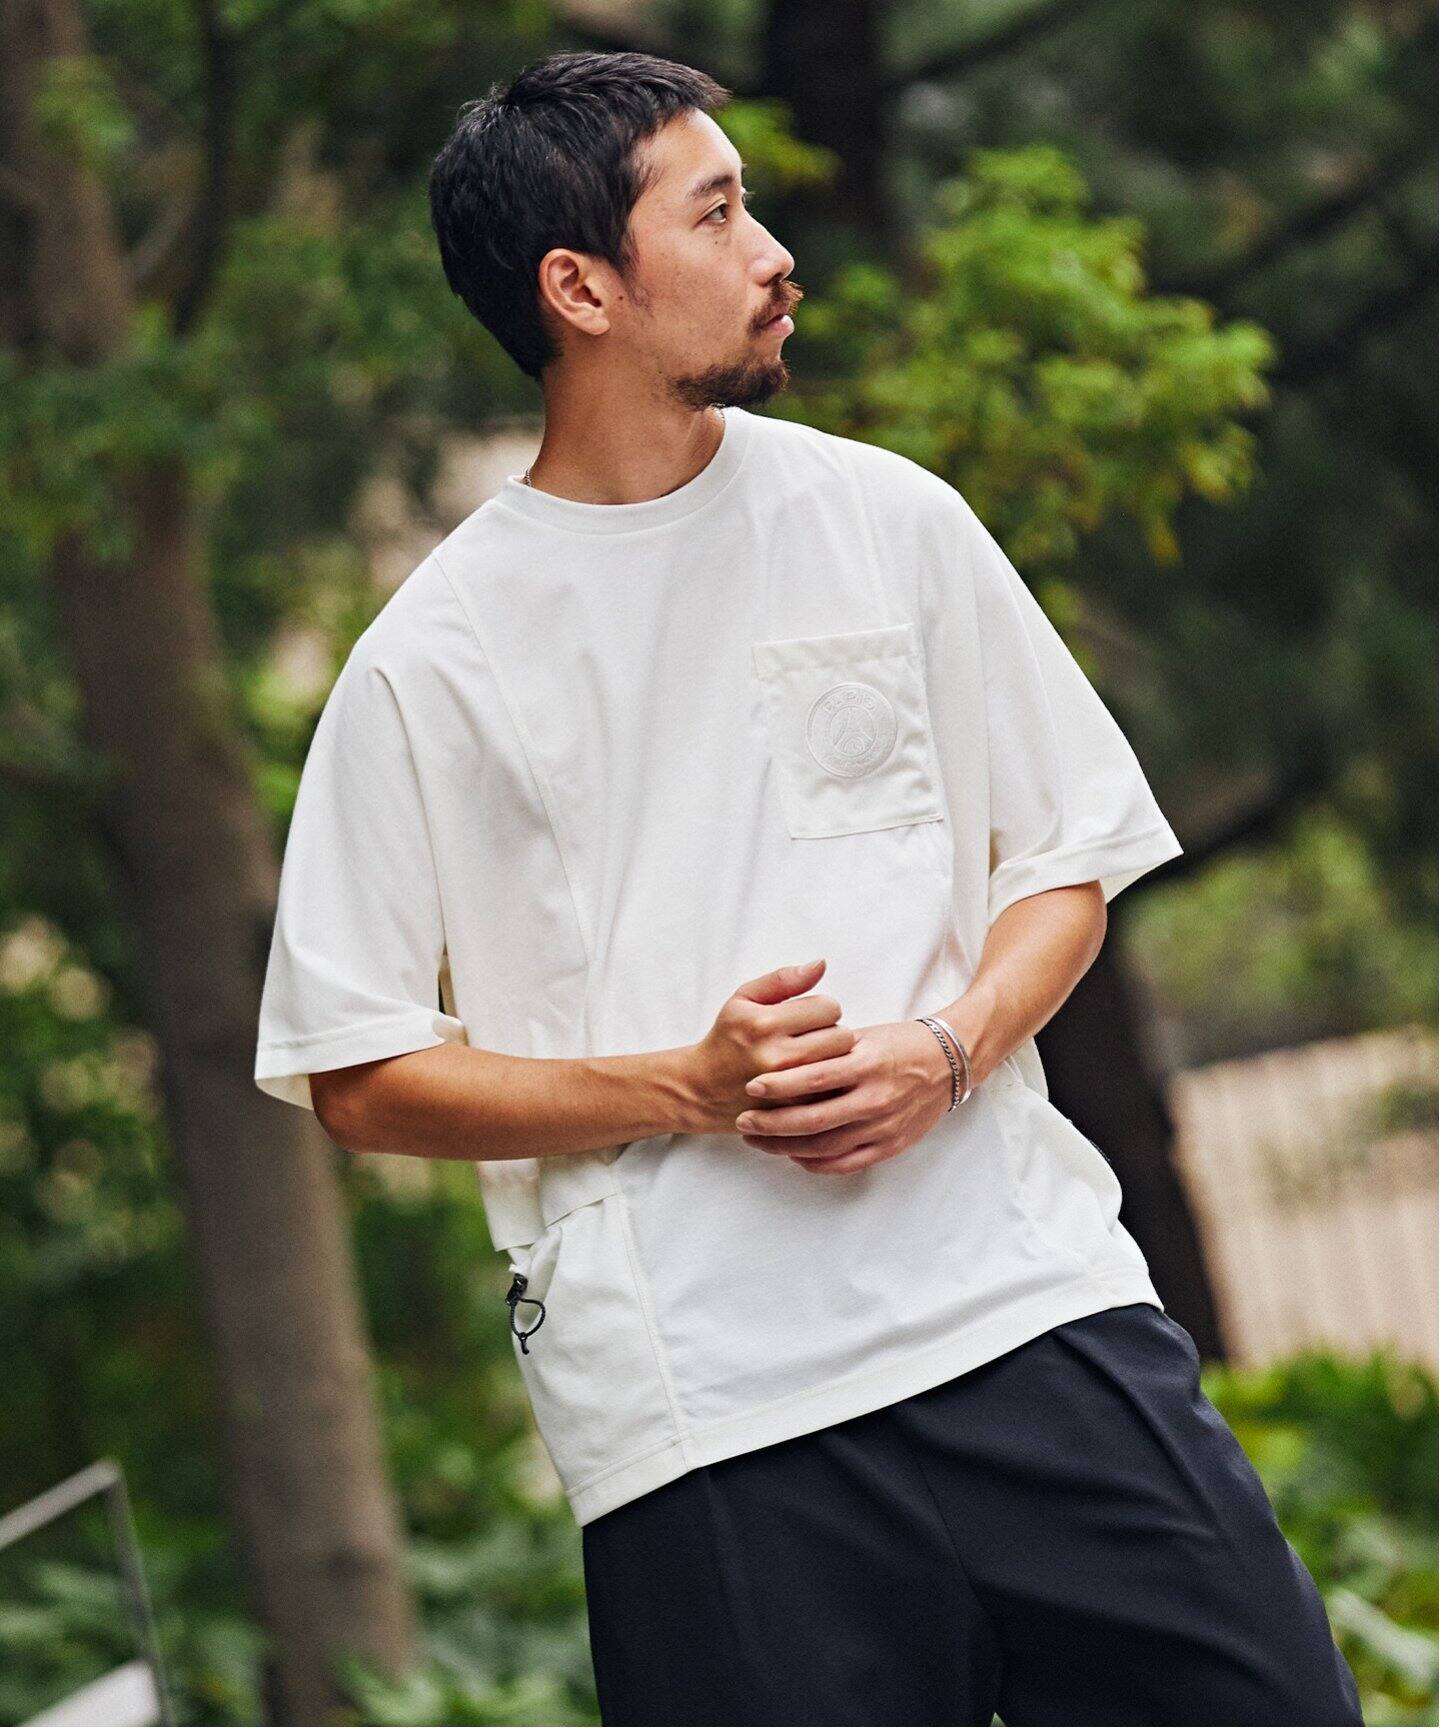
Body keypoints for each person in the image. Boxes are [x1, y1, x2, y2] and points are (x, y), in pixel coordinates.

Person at [253, 47, 1365, 1728]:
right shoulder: (432, 664)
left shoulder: (886, 518)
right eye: (715, 215)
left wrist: (950, 1050)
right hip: (713, 1418)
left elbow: (1066, 861)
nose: (774, 252)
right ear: (580, 290)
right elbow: (357, 1071)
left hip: (1023, 1306)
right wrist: (684, 1089)